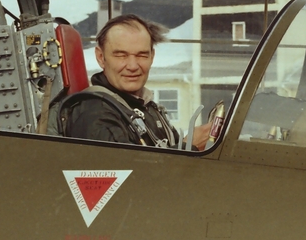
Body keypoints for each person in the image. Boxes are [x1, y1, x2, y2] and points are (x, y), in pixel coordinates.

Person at [51, 14, 210, 148]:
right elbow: (128, 178)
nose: (133, 66)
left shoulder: (146, 108)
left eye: (141, 55)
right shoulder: (96, 115)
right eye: (121, 55)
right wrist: (190, 146)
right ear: (101, 57)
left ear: (152, 56)